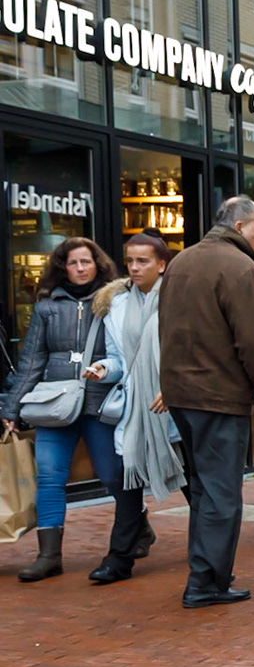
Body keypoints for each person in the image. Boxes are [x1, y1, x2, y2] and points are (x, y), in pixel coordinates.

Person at [156, 198, 254, 607]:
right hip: (218, 396)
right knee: (221, 493)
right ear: (241, 225)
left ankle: (206, 576)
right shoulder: (241, 267)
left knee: (205, 490)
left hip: (182, 394)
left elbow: (167, 329)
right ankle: (206, 582)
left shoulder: (182, 262)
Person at [1, 237, 124, 582]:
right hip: (54, 405)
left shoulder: (115, 302)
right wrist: (12, 407)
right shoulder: (47, 308)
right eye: (73, 263)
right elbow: (31, 361)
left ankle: (137, 527)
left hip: (100, 403)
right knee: (49, 477)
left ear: (97, 264)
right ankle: (49, 555)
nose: (80, 268)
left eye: (86, 262)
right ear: (62, 267)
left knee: (112, 474)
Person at [87, 233, 185, 583]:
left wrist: (173, 386)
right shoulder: (117, 304)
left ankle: (212, 560)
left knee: (194, 486)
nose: (134, 267)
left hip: (175, 405)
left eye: (143, 261)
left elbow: (191, 351)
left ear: (162, 265)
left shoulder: (178, 300)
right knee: (127, 484)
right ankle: (119, 559)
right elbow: (118, 360)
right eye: (130, 260)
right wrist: (103, 369)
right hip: (137, 408)